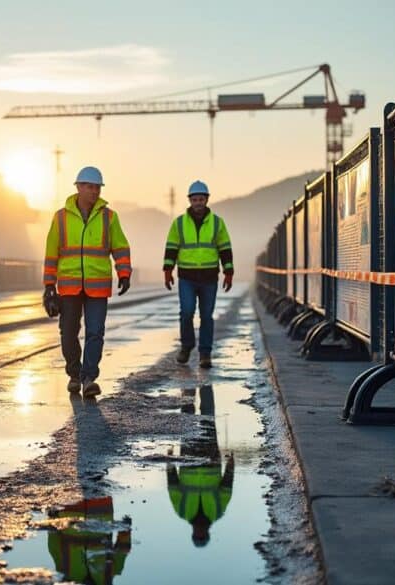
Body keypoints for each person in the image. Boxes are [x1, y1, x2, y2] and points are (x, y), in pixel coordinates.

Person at [43, 166, 132, 398]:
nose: (94, 191)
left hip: (98, 286)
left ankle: (89, 378)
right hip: (69, 286)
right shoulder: (60, 218)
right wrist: (48, 286)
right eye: (89, 187)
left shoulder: (109, 217)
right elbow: (51, 252)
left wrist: (124, 272)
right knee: (68, 333)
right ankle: (74, 374)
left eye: (97, 188)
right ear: (78, 188)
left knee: (95, 333)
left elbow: (120, 247)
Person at [163, 180, 233, 369]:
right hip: (187, 277)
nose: (198, 203)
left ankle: (205, 354)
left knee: (206, 316)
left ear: (207, 200)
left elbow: (225, 248)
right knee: (186, 313)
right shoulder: (179, 224)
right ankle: (186, 347)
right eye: (195, 199)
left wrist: (229, 272)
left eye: (201, 199)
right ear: (190, 201)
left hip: (209, 278)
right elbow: (171, 248)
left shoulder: (217, 223)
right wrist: (167, 270)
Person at [167, 385, 235, 547]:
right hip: (210, 458)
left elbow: (173, 487)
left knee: (187, 417)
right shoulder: (217, 512)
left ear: (193, 534)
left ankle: (188, 387)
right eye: (202, 536)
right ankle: (206, 384)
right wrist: (230, 467)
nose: (200, 533)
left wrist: (169, 464)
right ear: (207, 534)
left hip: (188, 458)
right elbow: (226, 488)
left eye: (197, 536)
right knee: (208, 416)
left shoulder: (182, 512)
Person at [47, 496, 132, 584]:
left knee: (73, 485)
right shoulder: (106, 580)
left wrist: (52, 518)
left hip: (73, 508)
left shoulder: (67, 577)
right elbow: (122, 550)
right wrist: (125, 531)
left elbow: (54, 546)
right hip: (99, 507)